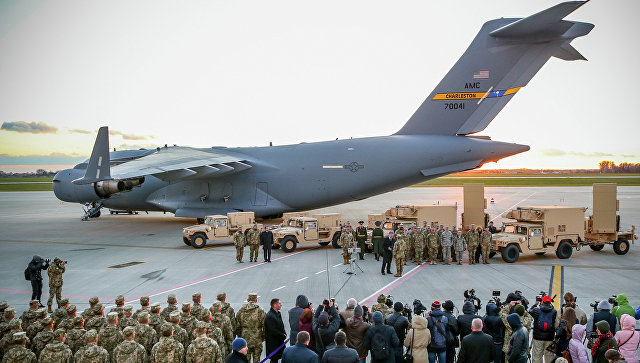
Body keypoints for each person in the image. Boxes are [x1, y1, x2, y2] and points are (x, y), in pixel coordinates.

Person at [235, 293, 265, 363]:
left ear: (248, 300)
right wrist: (263, 336)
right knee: (257, 359)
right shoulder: (260, 310)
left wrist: (240, 335)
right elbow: (265, 325)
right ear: (256, 300)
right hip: (257, 338)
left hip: (245, 338)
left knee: (245, 359)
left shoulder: (241, 310)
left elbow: (237, 326)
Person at [529, 295, 557, 363]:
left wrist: (535, 304)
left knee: (537, 357)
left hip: (537, 338)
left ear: (542, 301)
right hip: (549, 338)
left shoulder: (536, 310)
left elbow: (530, 311)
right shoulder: (554, 312)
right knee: (549, 357)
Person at [264, 298, 287, 363]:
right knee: (274, 359)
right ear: (274, 305)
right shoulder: (270, 316)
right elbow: (273, 330)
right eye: (279, 303)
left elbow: (281, 326)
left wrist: (284, 333)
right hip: (273, 343)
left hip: (278, 341)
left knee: (276, 359)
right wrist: (282, 335)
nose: (281, 305)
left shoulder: (277, 314)